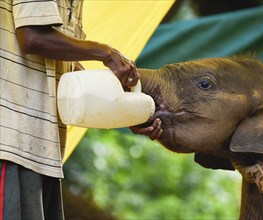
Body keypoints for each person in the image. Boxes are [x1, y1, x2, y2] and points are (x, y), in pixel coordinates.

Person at [0, 1, 161, 219]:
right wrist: (107, 53)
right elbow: (32, 37)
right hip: (9, 143)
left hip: (41, 151)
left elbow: (65, 65)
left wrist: (120, 108)